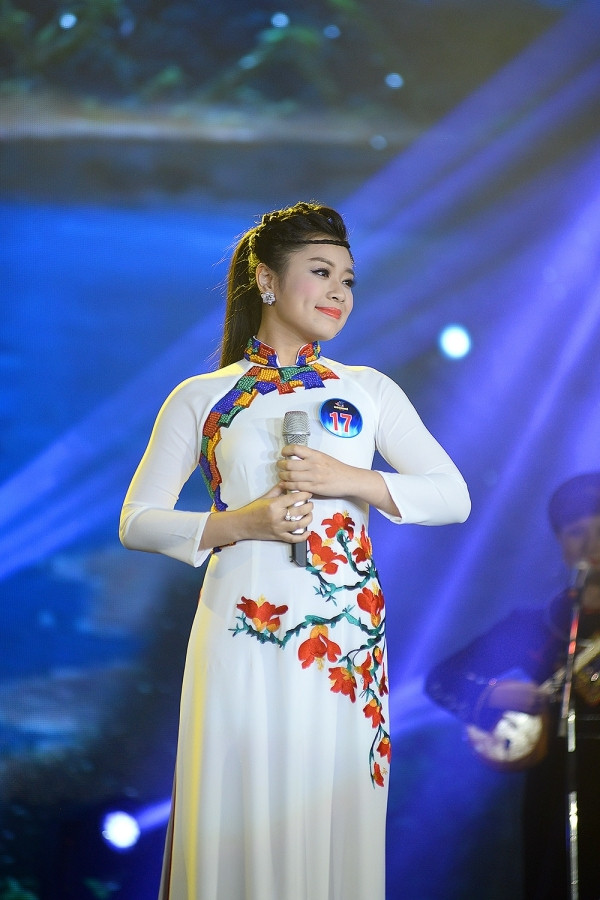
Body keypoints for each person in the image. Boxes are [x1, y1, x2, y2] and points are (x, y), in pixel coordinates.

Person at [119, 201, 471, 900]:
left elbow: (452, 496)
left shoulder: (367, 391)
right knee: (239, 802)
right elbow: (138, 520)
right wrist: (242, 522)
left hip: (344, 640)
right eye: (321, 272)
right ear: (267, 280)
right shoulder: (204, 398)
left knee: (331, 808)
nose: (339, 291)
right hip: (241, 626)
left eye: (348, 278)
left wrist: (349, 479)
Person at [425, 472, 600, 900]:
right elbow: (442, 680)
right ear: (561, 544)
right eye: (577, 532)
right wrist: (491, 695)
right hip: (554, 783)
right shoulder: (535, 625)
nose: (592, 543)